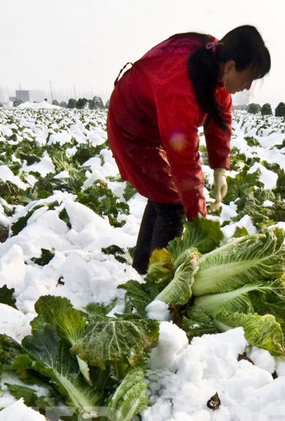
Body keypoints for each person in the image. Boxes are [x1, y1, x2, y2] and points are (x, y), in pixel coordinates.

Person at [107, 26, 271, 274]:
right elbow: (184, 161)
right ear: (230, 67)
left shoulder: (214, 61)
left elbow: (220, 117)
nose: (248, 87)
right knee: (174, 203)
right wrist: (198, 221)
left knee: (164, 194)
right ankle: (158, 279)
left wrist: (219, 168)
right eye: (248, 79)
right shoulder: (181, 86)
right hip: (132, 125)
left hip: (153, 122)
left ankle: (142, 266)